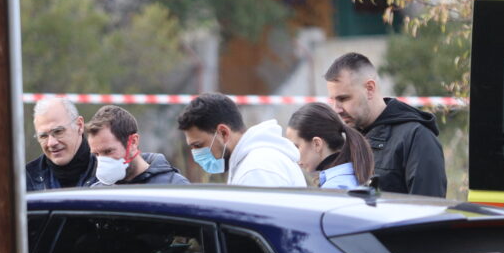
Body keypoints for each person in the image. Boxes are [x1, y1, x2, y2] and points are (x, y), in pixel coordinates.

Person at [325, 52, 446, 196]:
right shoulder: (350, 139)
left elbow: (428, 210)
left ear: (369, 89)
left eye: (343, 98)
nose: (336, 109)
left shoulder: (416, 137)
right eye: (332, 100)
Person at [177, 93, 307, 187]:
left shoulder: (257, 170)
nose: (196, 155)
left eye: (199, 145)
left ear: (223, 133)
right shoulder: (251, 163)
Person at [86, 105, 190, 186]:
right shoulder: (97, 193)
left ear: (133, 142)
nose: (102, 161)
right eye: (96, 154)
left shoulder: (173, 187)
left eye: (108, 151)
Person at [287, 102, 375, 189]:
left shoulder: (334, 187)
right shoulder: (350, 175)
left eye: (296, 147)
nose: (293, 155)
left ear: (317, 144)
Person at [27, 97, 98, 190]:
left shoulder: (107, 172)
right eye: (43, 136)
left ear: (79, 126)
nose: (51, 143)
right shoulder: (26, 179)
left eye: (58, 131)